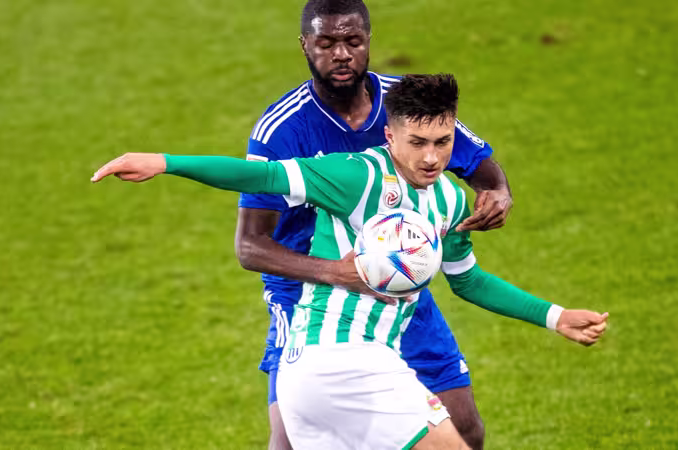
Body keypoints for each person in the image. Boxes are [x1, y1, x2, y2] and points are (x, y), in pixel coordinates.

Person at [92, 73, 609, 450]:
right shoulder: (355, 176)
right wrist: (164, 162)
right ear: (390, 136)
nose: (432, 157)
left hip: (316, 373)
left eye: (443, 143)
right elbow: (263, 177)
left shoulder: (451, 201)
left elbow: (469, 282)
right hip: (346, 360)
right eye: (417, 143)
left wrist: (555, 316)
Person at [237, 1, 510, 447]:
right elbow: (250, 246)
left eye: (352, 41)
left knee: (464, 428)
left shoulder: (403, 103)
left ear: (368, 41)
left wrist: (498, 190)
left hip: (397, 276)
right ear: (305, 45)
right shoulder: (282, 130)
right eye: (327, 43)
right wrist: (337, 272)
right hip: (307, 292)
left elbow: (476, 163)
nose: (341, 54)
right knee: (289, 439)